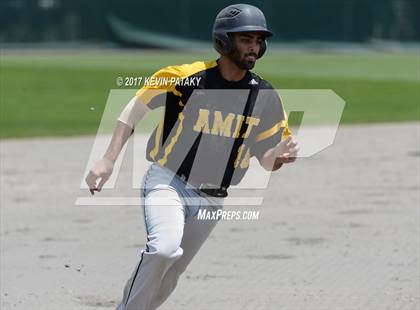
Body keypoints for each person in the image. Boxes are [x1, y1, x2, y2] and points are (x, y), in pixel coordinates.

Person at [86, 3, 299, 310]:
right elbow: (135, 109)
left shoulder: (263, 96)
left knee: (169, 277)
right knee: (163, 250)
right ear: (223, 41)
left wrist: (279, 154)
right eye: (245, 39)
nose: (253, 47)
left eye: (258, 41)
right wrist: (108, 160)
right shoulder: (185, 78)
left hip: (214, 199)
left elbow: (267, 160)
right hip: (170, 181)